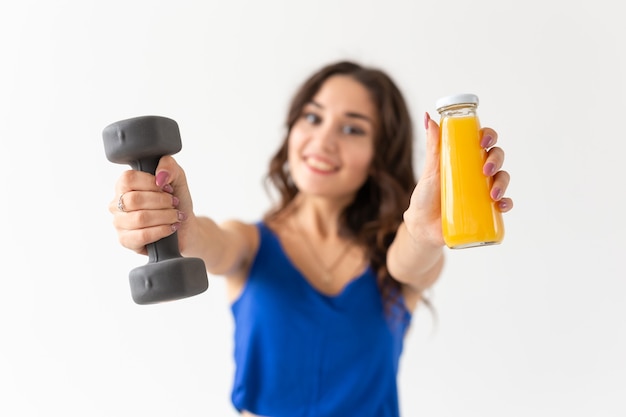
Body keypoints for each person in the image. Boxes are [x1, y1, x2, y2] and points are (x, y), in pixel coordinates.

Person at [109, 60, 513, 417]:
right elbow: (208, 240)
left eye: (353, 128)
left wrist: (424, 232)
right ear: (293, 128)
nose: (323, 140)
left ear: (379, 154)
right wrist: (178, 223)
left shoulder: (399, 252)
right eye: (314, 118)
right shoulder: (249, 244)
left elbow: (410, 259)